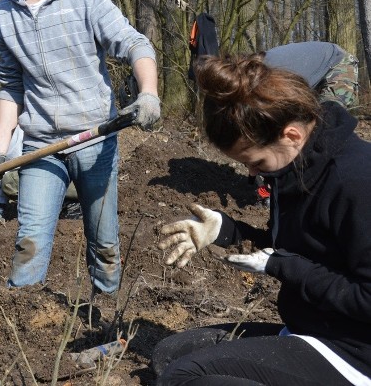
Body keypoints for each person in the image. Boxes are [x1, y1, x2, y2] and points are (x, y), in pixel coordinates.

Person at [154, 54, 371, 385]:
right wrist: (225, 230)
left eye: (255, 161)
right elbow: (295, 248)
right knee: (169, 354)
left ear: (292, 135)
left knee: (182, 376)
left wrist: (286, 267)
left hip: (353, 354)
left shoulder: (356, 181)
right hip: (310, 329)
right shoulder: (295, 168)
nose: (251, 173)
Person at [0, 0, 161, 293]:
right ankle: (20, 321)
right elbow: (11, 86)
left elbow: (135, 44)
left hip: (94, 138)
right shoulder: (3, 16)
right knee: (29, 241)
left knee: (104, 244)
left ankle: (105, 319)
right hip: (41, 143)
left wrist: (149, 93)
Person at [252, 41, 360, 207]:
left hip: (338, 66)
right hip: (312, 78)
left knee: (324, 128)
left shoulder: (266, 75)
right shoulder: (254, 74)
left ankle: (324, 189)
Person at [0, 103, 79, 225]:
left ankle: (73, 202)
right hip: (54, 177)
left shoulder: (22, 133)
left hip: (69, 178)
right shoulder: (1, 148)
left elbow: (3, 180)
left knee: (11, 182)